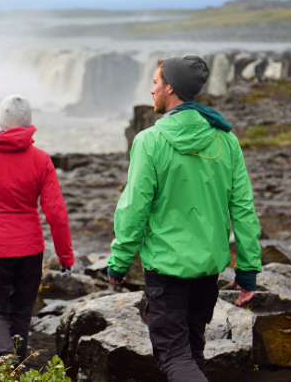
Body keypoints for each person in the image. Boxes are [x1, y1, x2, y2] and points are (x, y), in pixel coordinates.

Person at [106, 56, 261, 382]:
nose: (151, 90)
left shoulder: (149, 141)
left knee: (174, 356)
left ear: (170, 88)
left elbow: (134, 209)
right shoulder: (226, 140)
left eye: (155, 82)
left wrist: (119, 262)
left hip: (167, 273)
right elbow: (243, 208)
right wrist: (247, 269)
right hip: (207, 271)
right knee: (191, 350)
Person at [0, 94, 75, 363]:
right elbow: (56, 213)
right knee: (21, 313)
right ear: (28, 123)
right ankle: (15, 366)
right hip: (30, 249)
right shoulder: (41, 160)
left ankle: (5, 359)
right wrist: (66, 257)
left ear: (1, 121)